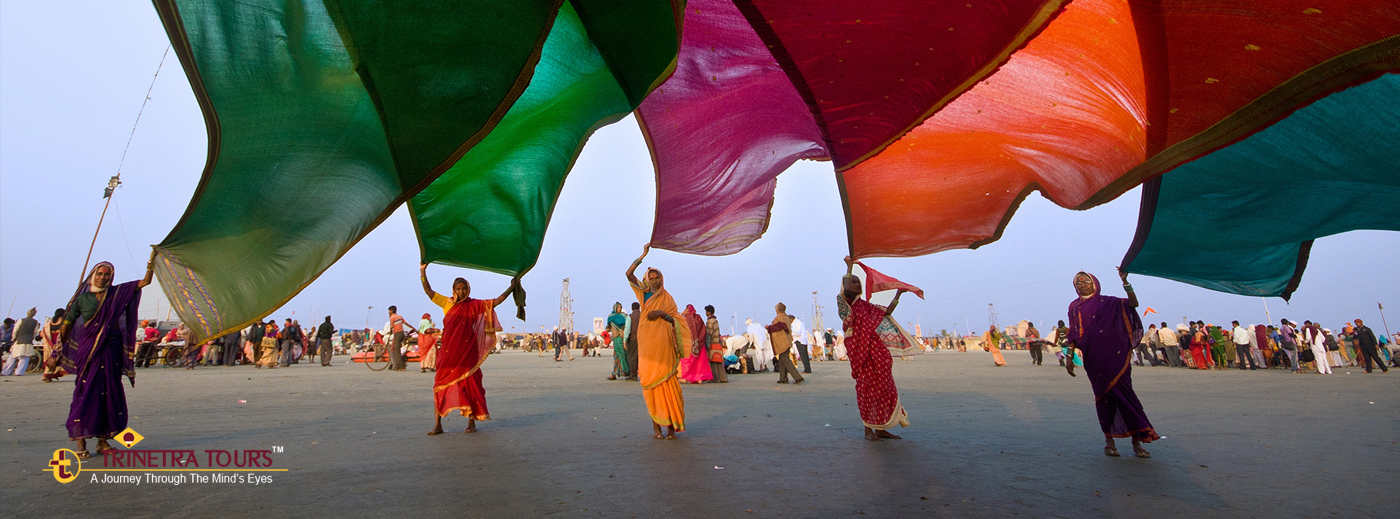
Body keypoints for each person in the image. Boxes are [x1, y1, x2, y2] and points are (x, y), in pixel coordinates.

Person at [58, 255, 155, 458]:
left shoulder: (117, 293)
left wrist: (151, 263)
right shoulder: (82, 299)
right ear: (93, 276)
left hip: (112, 349)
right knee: (86, 392)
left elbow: (145, 282)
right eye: (99, 274)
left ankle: (103, 442)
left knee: (110, 392)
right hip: (89, 350)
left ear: (111, 277)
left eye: (107, 274)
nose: (103, 277)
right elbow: (67, 325)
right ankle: (80, 443)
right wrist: (58, 350)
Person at [1065, 270, 1158, 458]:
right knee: (1103, 398)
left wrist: (1126, 282)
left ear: (1095, 284)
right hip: (1094, 359)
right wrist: (1069, 356)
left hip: (1116, 357)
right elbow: (1074, 334)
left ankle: (1137, 443)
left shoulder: (1109, 302)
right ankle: (1109, 442)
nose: (1082, 285)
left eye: (1085, 281)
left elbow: (1134, 304)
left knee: (1126, 397)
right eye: (1078, 283)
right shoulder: (1074, 306)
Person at [421, 263, 519, 435]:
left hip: (468, 353)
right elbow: (429, 291)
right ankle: (438, 424)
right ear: (453, 290)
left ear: (468, 289)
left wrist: (511, 287)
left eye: (464, 288)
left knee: (471, 384)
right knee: (440, 385)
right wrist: (423, 271)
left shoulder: (475, 305)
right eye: (458, 289)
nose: (461, 292)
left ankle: (471, 421)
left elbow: (495, 302)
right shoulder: (446, 303)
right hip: (449, 353)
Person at [838, 256, 918, 441]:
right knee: (866, 390)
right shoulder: (846, 306)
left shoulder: (867, 307)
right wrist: (849, 267)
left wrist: (898, 294)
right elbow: (846, 288)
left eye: (859, 282)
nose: (857, 285)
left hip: (878, 354)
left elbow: (886, 313)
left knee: (884, 388)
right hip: (862, 355)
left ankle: (882, 428)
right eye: (853, 282)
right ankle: (868, 430)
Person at [626, 245, 690, 440]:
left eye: (657, 277)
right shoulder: (643, 293)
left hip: (664, 348)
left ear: (662, 278)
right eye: (651, 278)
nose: (655, 281)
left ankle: (671, 429)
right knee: (651, 387)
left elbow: (676, 321)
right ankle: (656, 429)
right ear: (647, 280)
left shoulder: (667, 298)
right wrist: (642, 256)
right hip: (648, 347)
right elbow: (628, 274)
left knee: (670, 388)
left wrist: (663, 314)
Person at [767, 303, 804, 385]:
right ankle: (783, 378)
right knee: (782, 359)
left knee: (786, 360)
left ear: (778, 310)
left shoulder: (780, 317)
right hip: (787, 340)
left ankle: (798, 377)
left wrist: (769, 328)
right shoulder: (786, 317)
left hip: (782, 342)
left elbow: (779, 326)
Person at [678, 305, 712, 384]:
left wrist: (682, 313)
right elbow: (703, 330)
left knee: (687, 361)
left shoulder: (684, 318)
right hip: (699, 343)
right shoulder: (698, 318)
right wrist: (700, 340)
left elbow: (678, 326)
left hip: (688, 343)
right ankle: (699, 379)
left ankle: (685, 378)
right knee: (699, 362)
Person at [2, 308, 40, 376]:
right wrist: (31, 338)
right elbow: (35, 332)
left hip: (18, 341)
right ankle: (19, 372)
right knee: (25, 358)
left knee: (13, 357)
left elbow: (15, 330)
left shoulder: (21, 320)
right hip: (28, 341)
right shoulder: (35, 322)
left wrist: (14, 339)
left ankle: (6, 372)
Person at [38, 308, 68, 381]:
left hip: (50, 342)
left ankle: (49, 375)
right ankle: (47, 375)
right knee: (58, 359)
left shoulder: (49, 324)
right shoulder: (65, 322)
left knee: (51, 359)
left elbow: (42, 334)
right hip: (59, 342)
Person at [606, 303, 630, 380]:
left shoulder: (624, 316)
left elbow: (627, 326)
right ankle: (615, 373)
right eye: (618, 307)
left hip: (623, 339)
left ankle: (624, 371)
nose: (619, 309)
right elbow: (608, 328)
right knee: (617, 356)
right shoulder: (611, 317)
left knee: (623, 355)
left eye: (620, 307)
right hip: (616, 339)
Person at [705, 305, 728, 383]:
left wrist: (706, 344)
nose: (705, 313)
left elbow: (709, 333)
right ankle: (723, 378)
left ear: (709, 312)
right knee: (719, 361)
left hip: (712, 343)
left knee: (713, 362)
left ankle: (715, 379)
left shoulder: (710, 321)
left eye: (706, 311)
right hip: (718, 343)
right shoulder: (716, 320)